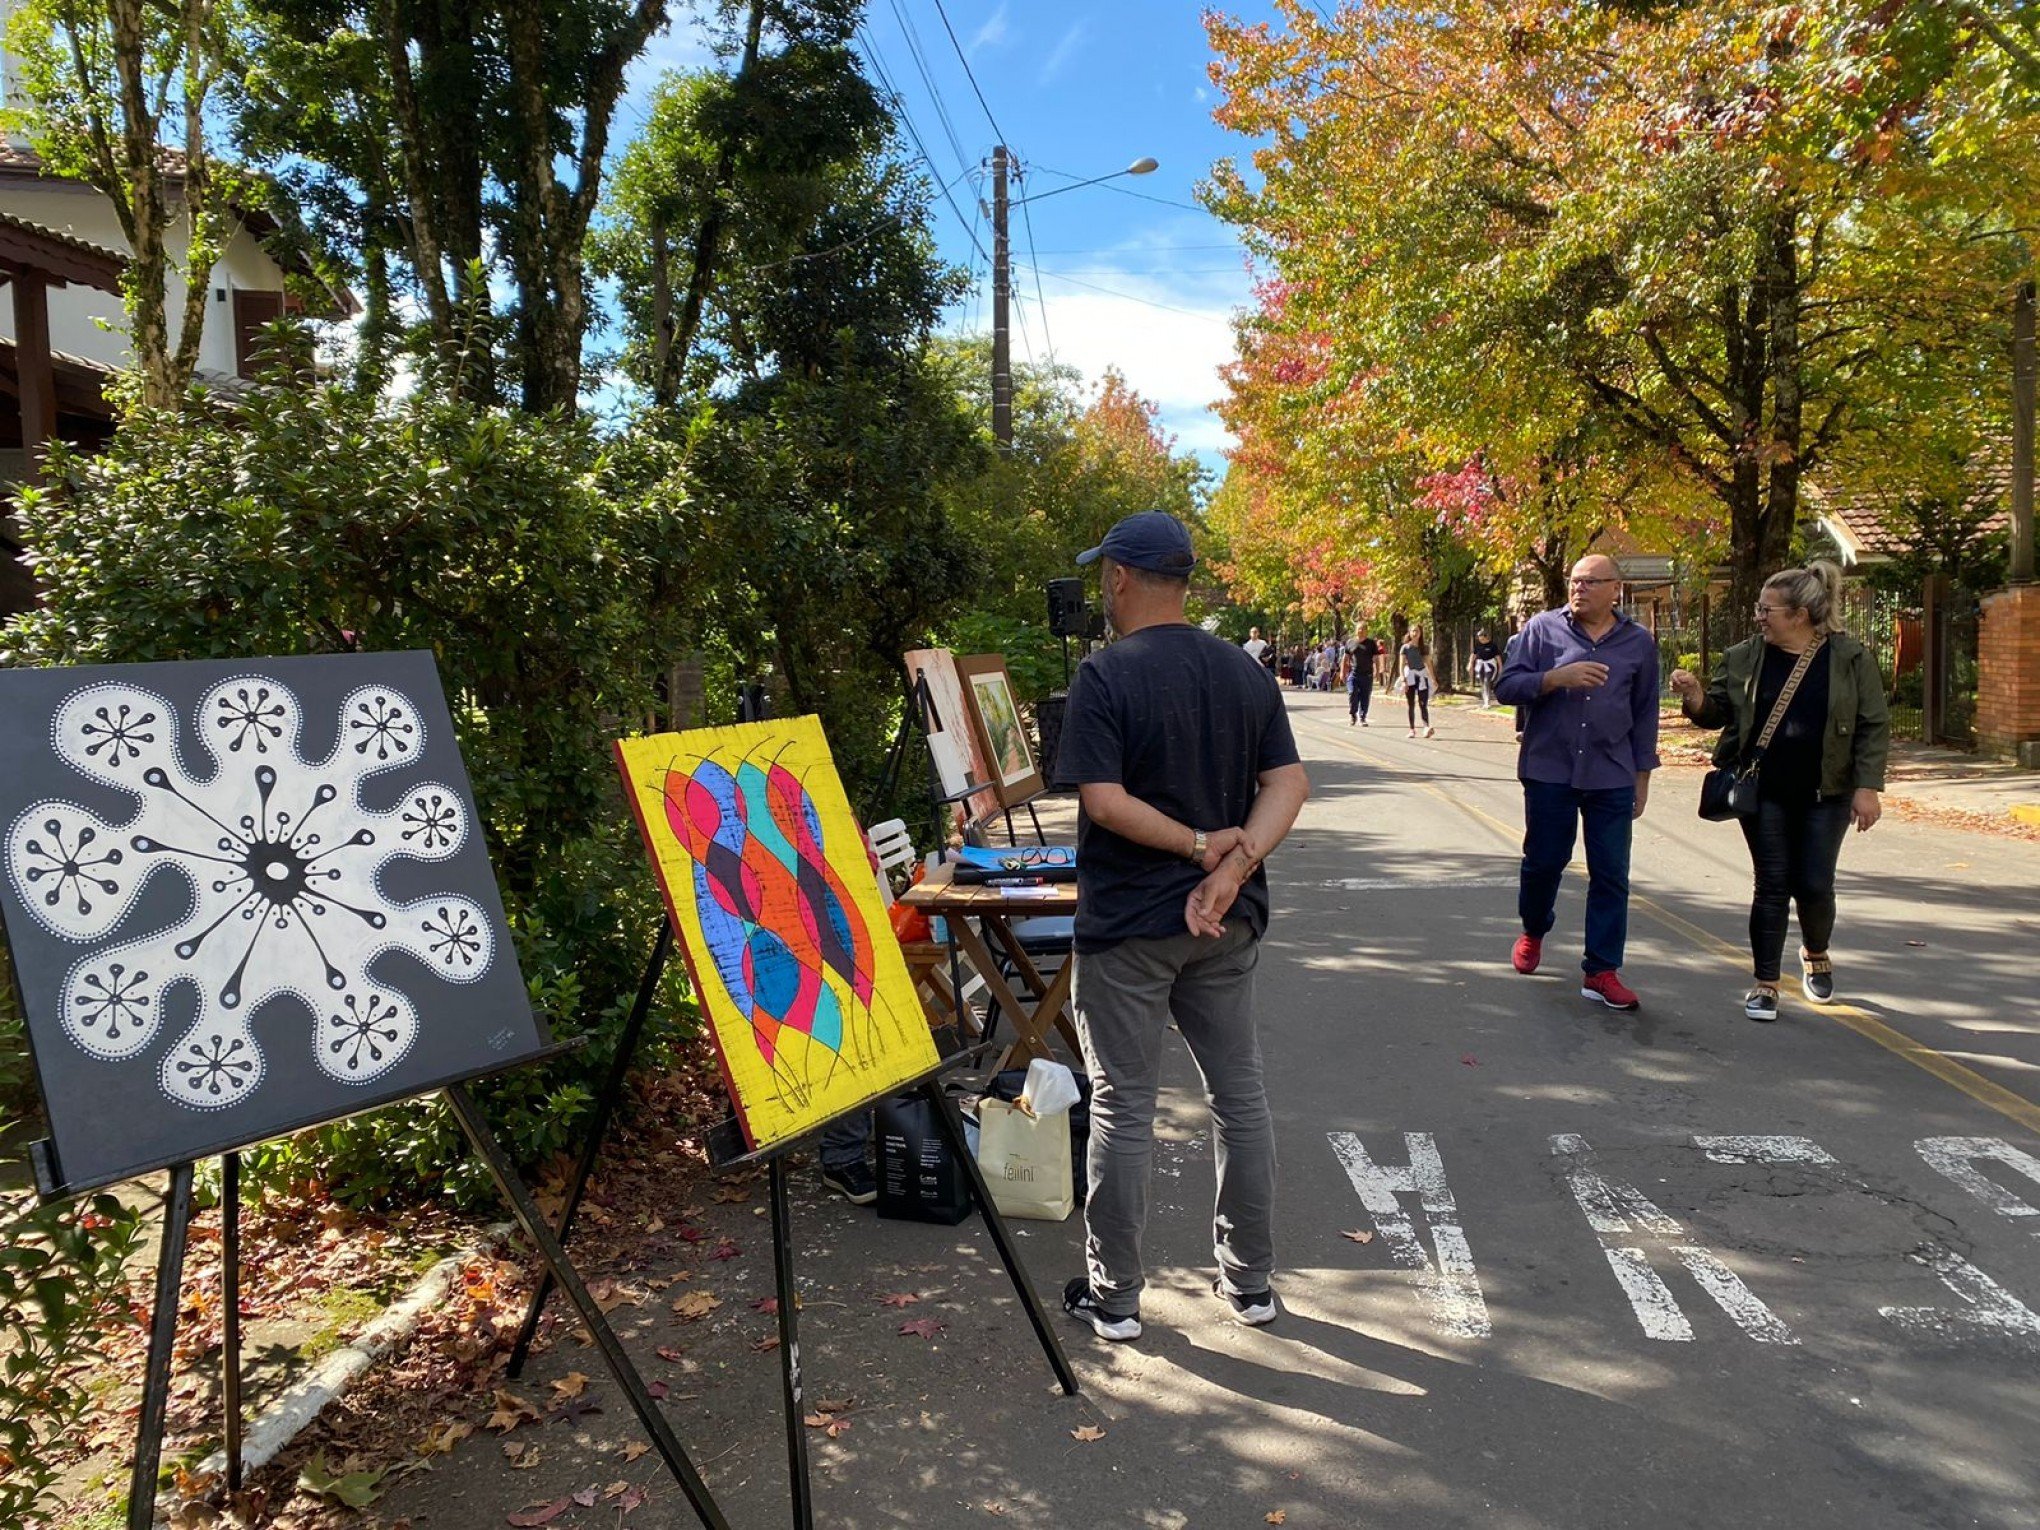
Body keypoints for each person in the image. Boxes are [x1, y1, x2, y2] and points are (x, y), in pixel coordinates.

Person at [1053, 510, 1311, 1341]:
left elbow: (1103, 802)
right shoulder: (1243, 671)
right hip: (1225, 926)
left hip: (1130, 923)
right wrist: (1232, 868)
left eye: (1104, 574)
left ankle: (1118, 1297)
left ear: (1120, 577)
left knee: (1125, 1106)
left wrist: (1205, 852)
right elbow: (1288, 785)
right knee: (1240, 1098)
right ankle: (1251, 1284)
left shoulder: (1105, 675)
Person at [1669, 562, 1889, 1021]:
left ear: (1802, 614)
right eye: (1759, 608)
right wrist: (1692, 697)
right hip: (1763, 790)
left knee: (1813, 883)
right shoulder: (1744, 656)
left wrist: (1867, 787)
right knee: (1771, 884)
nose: (1759, 617)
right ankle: (1765, 983)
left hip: (1826, 793)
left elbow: (1872, 726)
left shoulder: (1849, 658)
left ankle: (1816, 952)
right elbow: (1717, 714)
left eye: (1768, 610)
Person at [1494, 554, 1660, 1011]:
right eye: (1574, 581)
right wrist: (1552, 679)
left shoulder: (1639, 642)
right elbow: (1506, 687)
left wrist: (1642, 778)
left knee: (1611, 873)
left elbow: (1646, 714)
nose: (1579, 589)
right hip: (1551, 769)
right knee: (1545, 862)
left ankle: (1601, 970)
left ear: (1615, 589)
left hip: (1612, 773)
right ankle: (1533, 928)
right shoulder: (1541, 630)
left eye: (1590, 582)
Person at [1399, 624, 1437, 738]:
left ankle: (1426, 727)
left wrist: (1433, 679)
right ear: (1409, 633)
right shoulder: (1405, 648)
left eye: (1417, 631)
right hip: (1410, 676)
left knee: (1423, 704)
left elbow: (1428, 664)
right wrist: (1403, 680)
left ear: (1421, 633)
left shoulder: (1424, 648)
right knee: (1411, 704)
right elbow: (1401, 665)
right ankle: (1412, 729)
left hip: (1422, 677)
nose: (1415, 633)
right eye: (1413, 631)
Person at [1344, 624, 1382, 726]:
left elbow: (1376, 659)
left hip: (1367, 675)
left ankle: (1362, 717)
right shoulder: (1350, 642)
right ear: (1356, 630)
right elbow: (1345, 658)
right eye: (1359, 629)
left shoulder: (1371, 643)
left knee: (1365, 696)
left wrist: (1377, 672)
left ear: (1366, 631)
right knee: (1352, 693)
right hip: (1354, 674)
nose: (1361, 631)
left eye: (1363, 629)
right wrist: (1343, 672)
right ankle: (1353, 715)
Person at [1470, 628, 1502, 709]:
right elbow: (1473, 655)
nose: (1481, 641)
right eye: (1480, 639)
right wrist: (1470, 664)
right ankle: (1485, 700)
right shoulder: (1478, 645)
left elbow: (1498, 657)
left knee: (1486, 681)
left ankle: (1487, 701)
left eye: (1483, 639)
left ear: (1487, 637)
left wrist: (1500, 667)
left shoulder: (1493, 645)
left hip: (1490, 665)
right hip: (1480, 665)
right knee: (1482, 682)